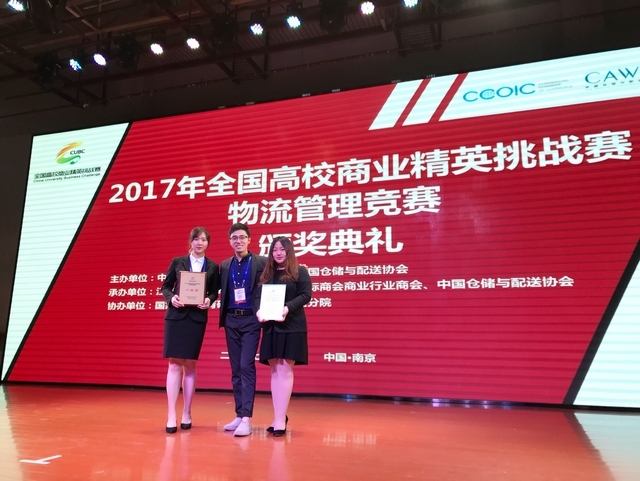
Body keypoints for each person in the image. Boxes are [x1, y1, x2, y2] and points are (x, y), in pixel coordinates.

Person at [162, 227, 220, 434]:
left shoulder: (212, 266)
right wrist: (172, 298)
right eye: (196, 239)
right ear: (191, 242)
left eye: (203, 239)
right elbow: (165, 287)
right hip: (176, 317)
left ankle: (187, 412)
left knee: (191, 365)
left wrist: (209, 300)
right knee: (174, 364)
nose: (199, 243)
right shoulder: (178, 262)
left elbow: (214, 291)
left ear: (208, 243)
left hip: (196, 318)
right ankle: (171, 414)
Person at [256, 236, 311, 437]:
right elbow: (258, 297)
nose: (278, 253)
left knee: (285, 369)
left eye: (282, 249)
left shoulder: (299, 271)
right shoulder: (267, 274)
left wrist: (287, 307)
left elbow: (305, 295)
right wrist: (259, 311)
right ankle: (278, 416)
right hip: (271, 326)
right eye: (275, 250)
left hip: (292, 326)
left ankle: (280, 419)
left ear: (289, 251)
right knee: (274, 370)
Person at [219, 223, 268, 436]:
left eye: (242, 237)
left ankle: (247, 418)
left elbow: (275, 280)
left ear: (249, 239)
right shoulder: (224, 265)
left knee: (246, 366)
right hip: (231, 320)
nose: (238, 241)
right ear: (230, 241)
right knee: (236, 368)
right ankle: (239, 414)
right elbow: (212, 288)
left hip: (251, 320)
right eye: (234, 238)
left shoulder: (261, 262)